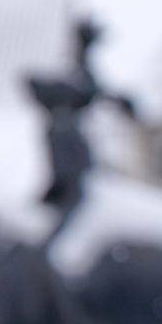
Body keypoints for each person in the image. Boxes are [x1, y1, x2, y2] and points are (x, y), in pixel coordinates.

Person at [26, 17, 136, 222]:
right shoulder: (77, 69)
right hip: (63, 129)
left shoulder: (83, 66)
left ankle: (60, 205)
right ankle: (57, 209)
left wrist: (119, 101)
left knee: (80, 171)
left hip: (65, 128)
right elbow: (88, 88)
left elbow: (95, 89)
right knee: (72, 175)